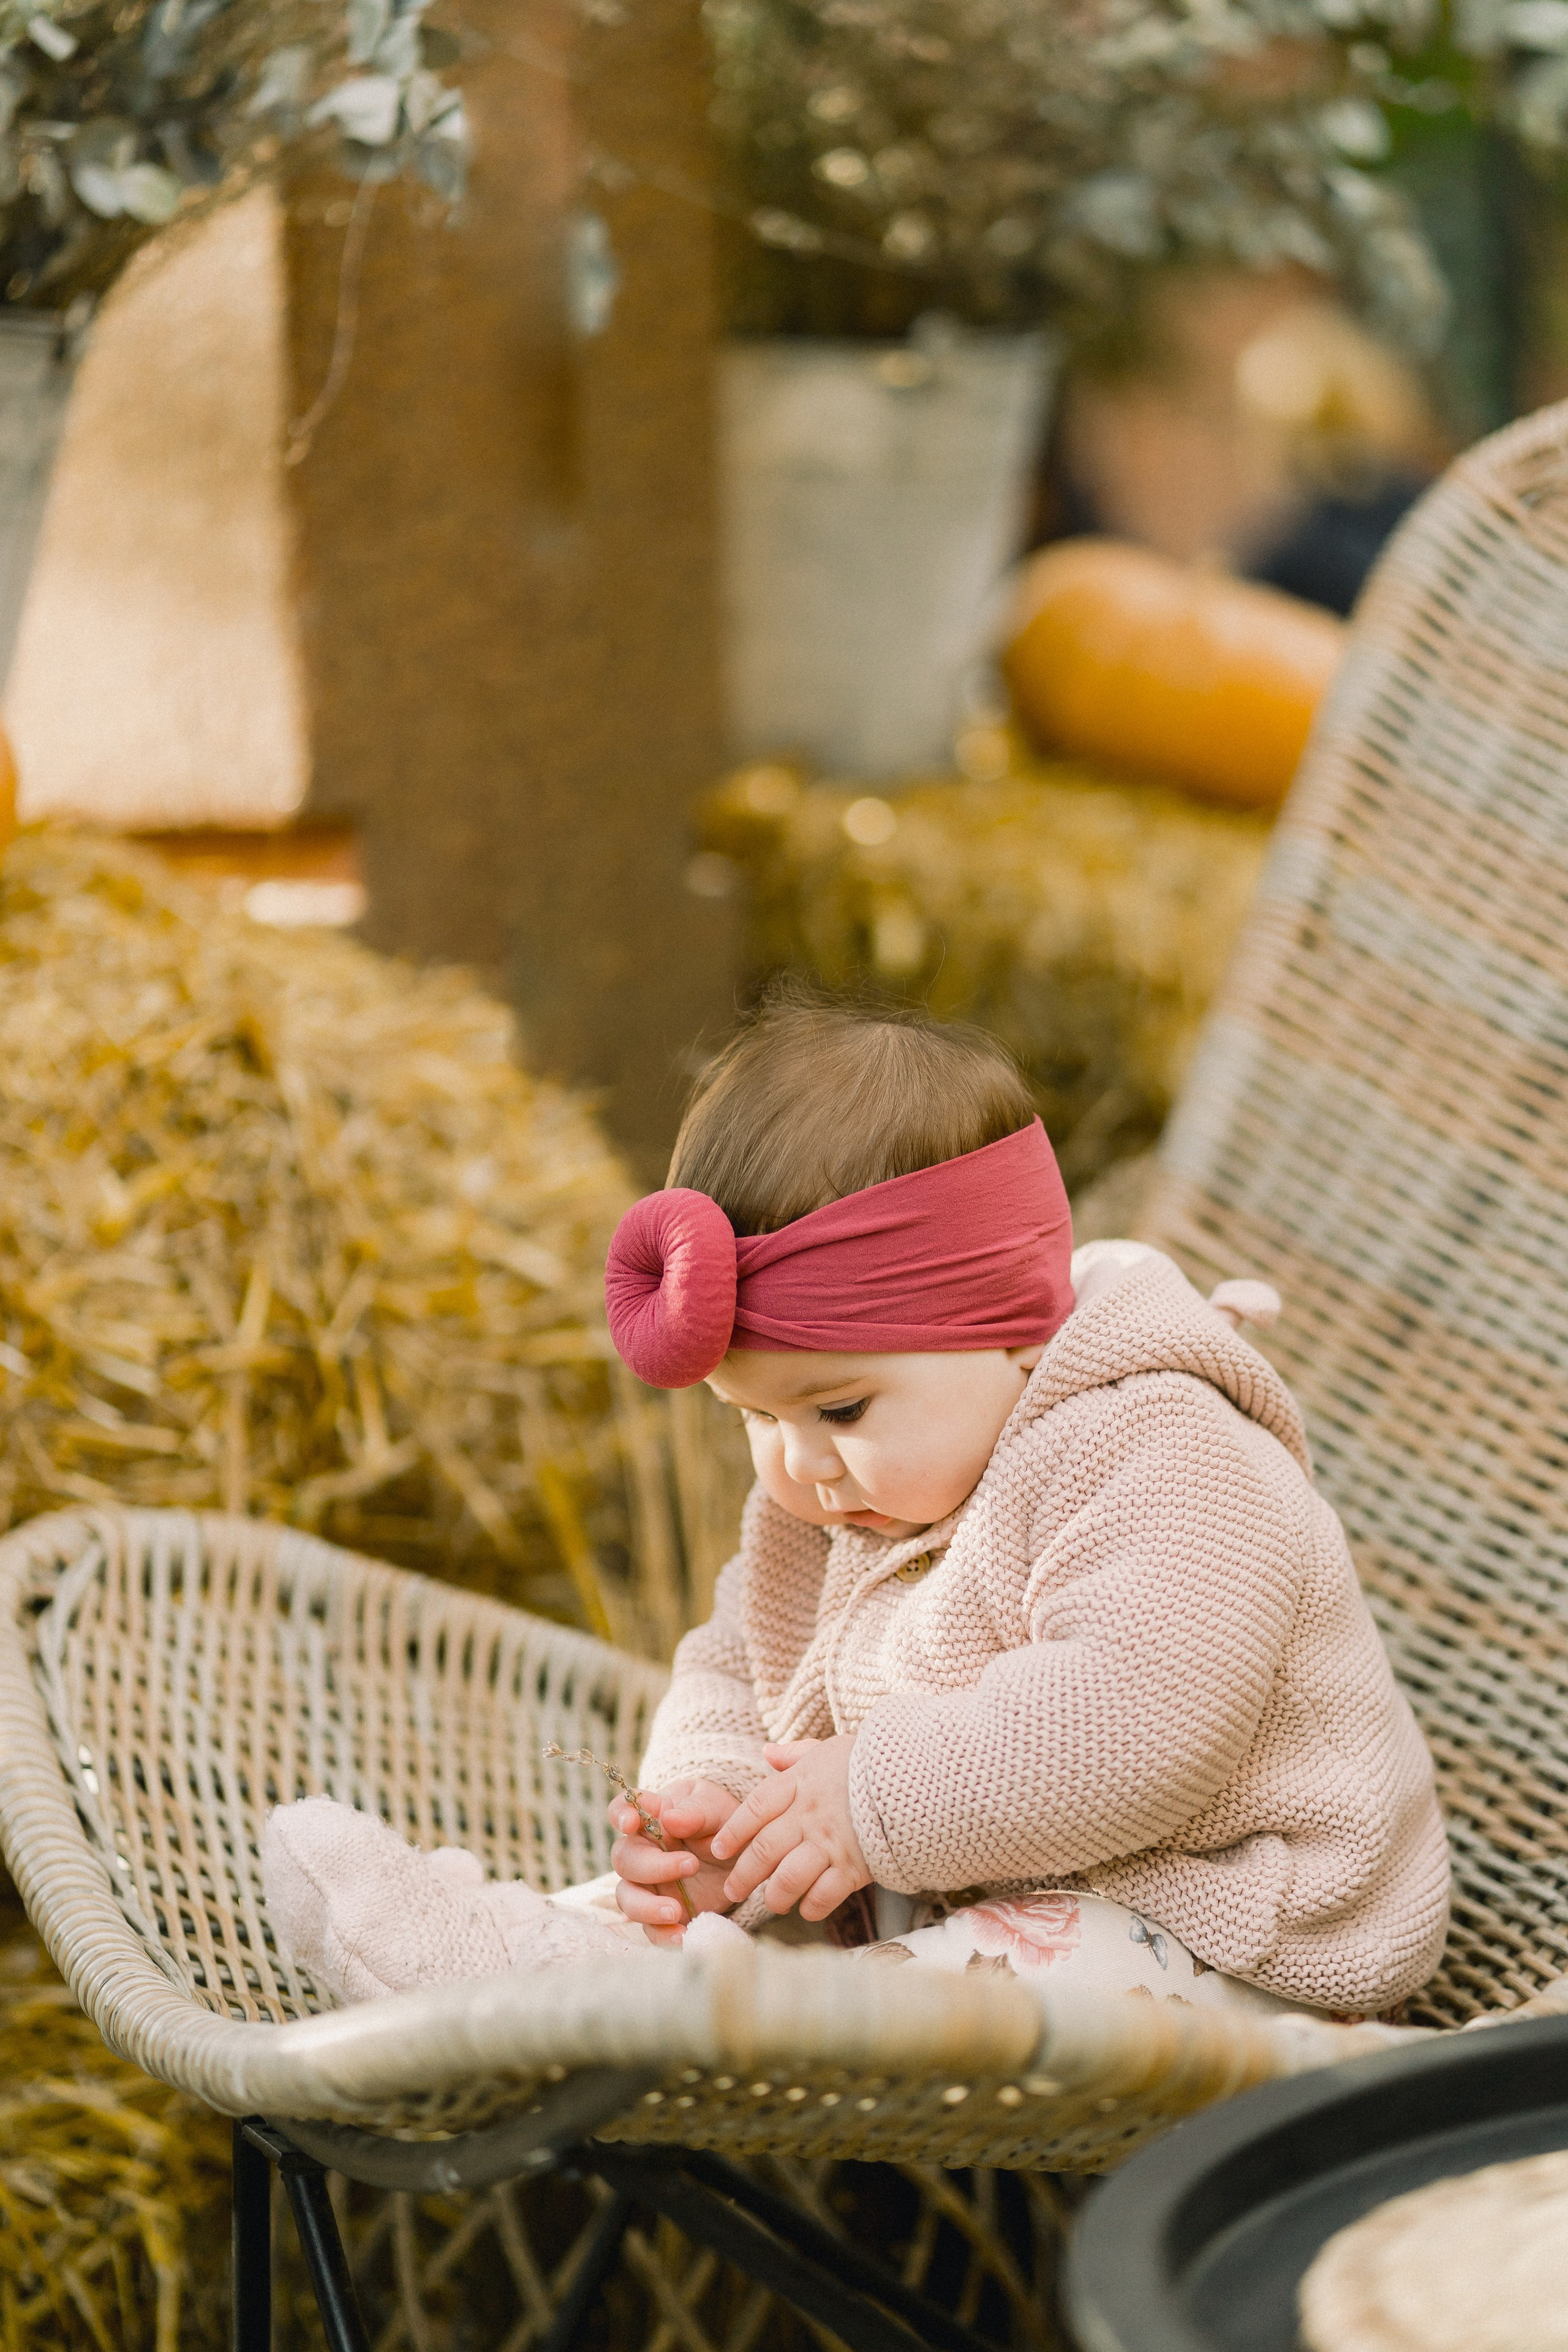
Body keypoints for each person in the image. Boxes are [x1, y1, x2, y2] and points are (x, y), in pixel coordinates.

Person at [265, 990, 1449, 2019]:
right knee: (773, 1920)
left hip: (1241, 1927)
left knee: (947, 1982)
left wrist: (865, 1800)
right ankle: (519, 1963)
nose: (797, 1467)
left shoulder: (1161, 1445)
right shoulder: (833, 1496)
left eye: (838, 1410)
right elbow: (736, 1657)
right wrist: (722, 1808)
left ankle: (643, 2012)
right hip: (977, 1875)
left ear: (1013, 1329)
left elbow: (1137, 1717)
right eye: (753, 1417)